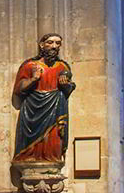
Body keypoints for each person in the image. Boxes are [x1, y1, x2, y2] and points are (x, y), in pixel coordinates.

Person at [12, 33, 76, 162]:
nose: (54, 46)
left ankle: (53, 160)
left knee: (54, 138)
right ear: (42, 45)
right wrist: (34, 78)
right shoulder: (30, 66)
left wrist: (66, 85)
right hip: (33, 109)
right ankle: (30, 157)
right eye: (50, 42)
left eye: (57, 43)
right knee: (31, 144)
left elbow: (68, 91)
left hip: (56, 107)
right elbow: (19, 89)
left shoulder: (63, 67)